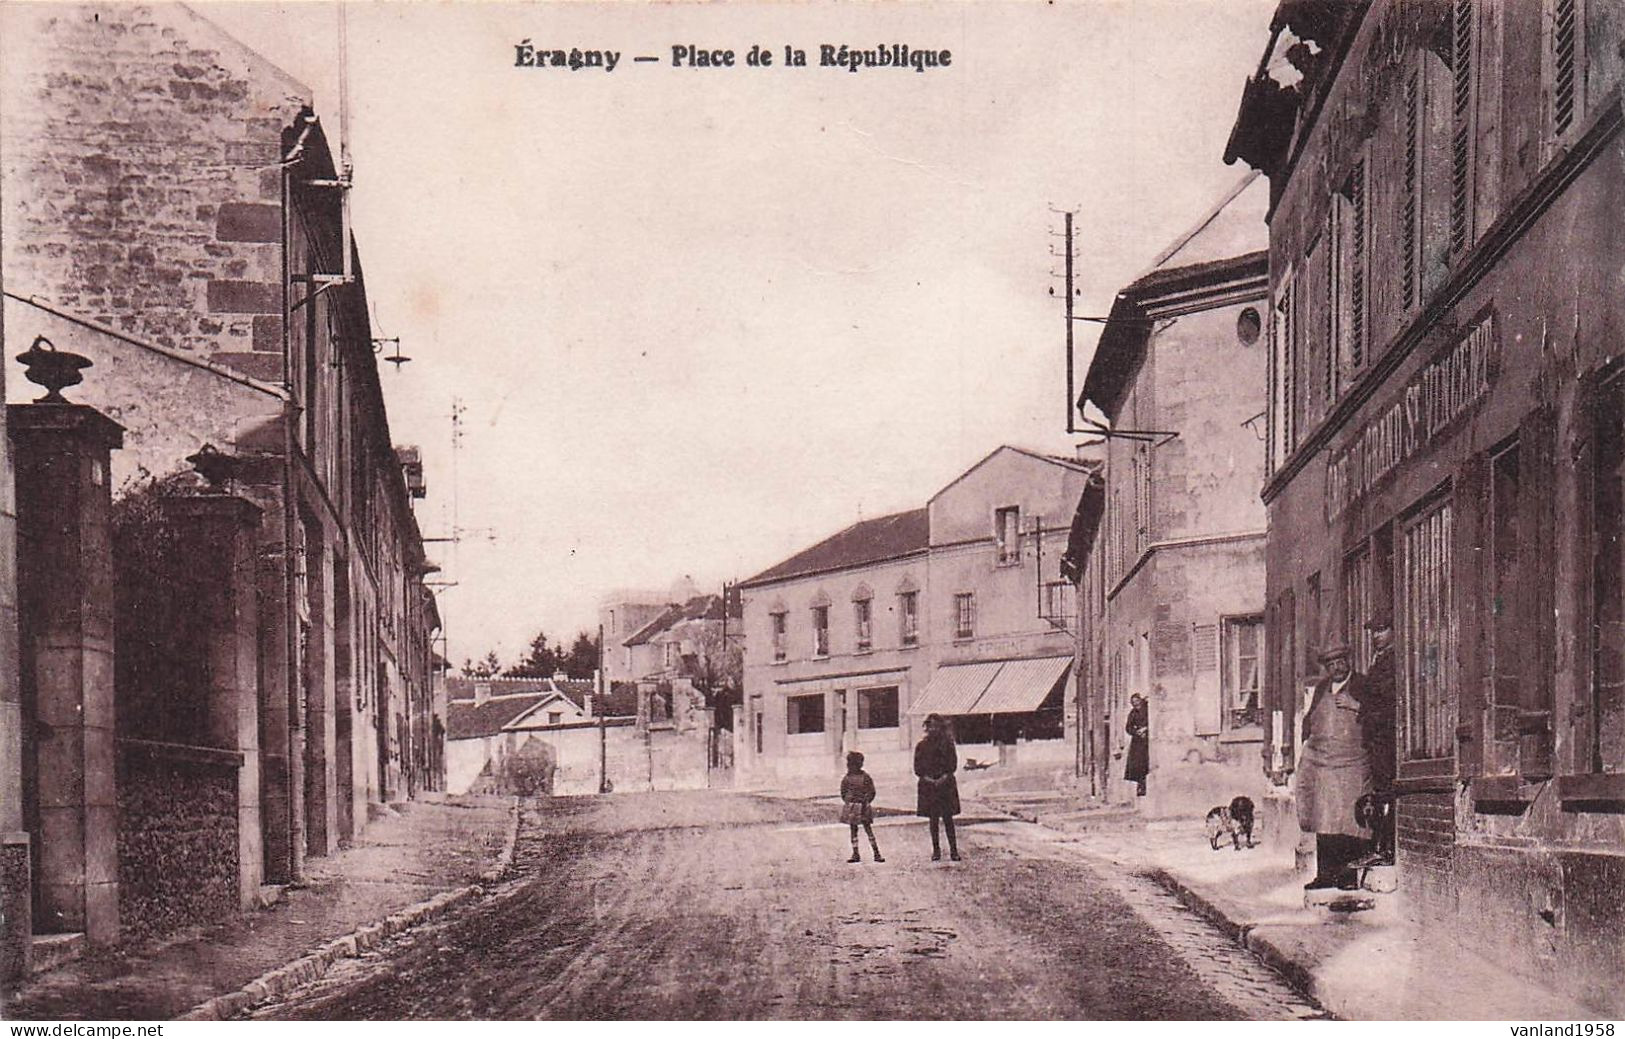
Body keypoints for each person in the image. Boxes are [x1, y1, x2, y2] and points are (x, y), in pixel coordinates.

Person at [1297, 643, 1372, 890]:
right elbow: (1309, 720)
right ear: (1327, 668)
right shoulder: (1321, 688)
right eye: (1331, 664)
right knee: (1324, 817)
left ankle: (1348, 877)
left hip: (1352, 761)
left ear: (1348, 661)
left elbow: (1379, 715)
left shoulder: (1362, 684)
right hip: (1324, 764)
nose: (1337, 667)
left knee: (1349, 819)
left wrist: (1357, 706)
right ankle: (1325, 874)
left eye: (1341, 661)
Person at [1358, 616, 1397, 794]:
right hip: (1375, 733)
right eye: (1374, 631)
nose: (1376, 635)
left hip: (1386, 730)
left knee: (1385, 781)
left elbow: (1386, 694)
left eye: (1381, 630)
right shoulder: (1377, 659)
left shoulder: (1394, 659)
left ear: (1393, 631)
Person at [914, 713, 962, 861]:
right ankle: (936, 851)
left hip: (945, 785)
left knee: (948, 819)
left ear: (941, 727)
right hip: (929, 787)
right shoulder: (921, 746)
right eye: (930, 726)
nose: (933, 729)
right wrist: (929, 779)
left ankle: (954, 851)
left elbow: (952, 764)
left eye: (936, 726)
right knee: (933, 820)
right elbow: (918, 768)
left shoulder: (948, 744)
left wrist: (943, 778)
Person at [839, 751, 884, 863]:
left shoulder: (863, 777)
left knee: (867, 829)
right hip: (855, 806)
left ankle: (875, 853)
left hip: (861, 806)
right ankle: (857, 853)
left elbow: (871, 791)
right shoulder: (848, 778)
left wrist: (866, 800)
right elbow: (843, 792)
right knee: (855, 830)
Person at [1124, 693, 1150, 797]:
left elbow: (1152, 720)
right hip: (1138, 741)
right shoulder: (1133, 713)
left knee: (1146, 762)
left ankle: (1144, 783)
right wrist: (1136, 731)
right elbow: (1128, 727)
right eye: (1133, 703)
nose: (1136, 704)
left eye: (1137, 701)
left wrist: (1146, 728)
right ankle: (1140, 784)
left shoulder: (1147, 710)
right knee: (1137, 764)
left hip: (1148, 739)